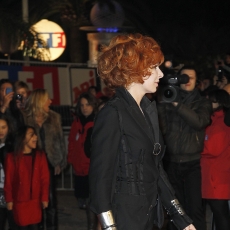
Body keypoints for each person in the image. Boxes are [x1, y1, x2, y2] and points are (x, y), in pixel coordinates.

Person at [89, 33, 195, 230]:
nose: (161, 74)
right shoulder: (113, 113)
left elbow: (156, 170)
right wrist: (109, 227)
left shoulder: (147, 110)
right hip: (124, 220)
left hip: (149, 218)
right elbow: (100, 179)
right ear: (134, 69)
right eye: (154, 67)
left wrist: (180, 217)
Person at [157, 65, 212, 230]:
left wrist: (177, 105)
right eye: (183, 77)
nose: (187, 81)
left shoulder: (203, 102)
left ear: (197, 82)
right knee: (175, 211)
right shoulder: (168, 99)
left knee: (195, 210)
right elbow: (162, 129)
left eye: (191, 78)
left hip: (192, 163)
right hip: (171, 162)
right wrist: (163, 102)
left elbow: (199, 122)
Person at [23, 89, 67, 230]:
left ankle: (52, 227)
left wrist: (59, 161)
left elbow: (60, 141)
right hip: (30, 163)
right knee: (33, 199)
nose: (50, 101)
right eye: (47, 98)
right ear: (39, 101)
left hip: (49, 163)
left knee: (50, 200)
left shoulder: (55, 117)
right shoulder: (25, 118)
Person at [4, 125, 50, 229]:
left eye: (35, 135)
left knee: (35, 226)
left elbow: (45, 179)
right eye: (31, 135)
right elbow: (8, 181)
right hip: (20, 201)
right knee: (21, 225)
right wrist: (9, 200)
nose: (35, 138)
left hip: (35, 201)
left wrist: (44, 197)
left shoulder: (40, 156)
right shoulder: (12, 158)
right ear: (23, 138)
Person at [201, 89, 230, 230]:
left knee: (221, 215)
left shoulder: (221, 122)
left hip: (216, 179)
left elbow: (213, 148)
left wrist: (194, 146)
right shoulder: (215, 119)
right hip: (214, 177)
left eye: (209, 100)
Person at [68, 92, 97, 230]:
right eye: (82, 105)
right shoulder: (77, 122)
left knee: (92, 200)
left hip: (92, 167)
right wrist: (71, 160)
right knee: (85, 199)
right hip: (80, 167)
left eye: (87, 104)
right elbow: (72, 143)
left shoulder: (97, 121)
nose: (85, 108)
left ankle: (92, 226)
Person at [0, 115, 15, 229]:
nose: (1, 131)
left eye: (4, 127)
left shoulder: (13, 146)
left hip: (10, 189)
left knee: (13, 221)